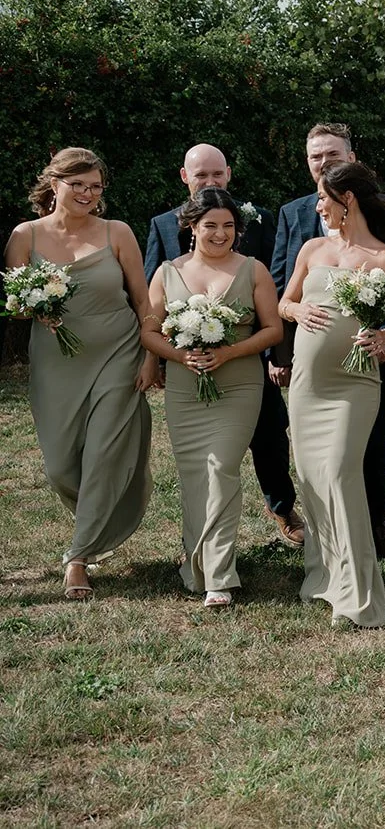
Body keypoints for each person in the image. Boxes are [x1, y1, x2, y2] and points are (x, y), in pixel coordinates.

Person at [5, 149, 156, 600]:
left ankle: (77, 558)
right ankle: (103, 512)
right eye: (79, 185)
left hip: (118, 354)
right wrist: (34, 307)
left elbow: (144, 302)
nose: (88, 194)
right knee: (60, 467)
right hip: (56, 363)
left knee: (105, 454)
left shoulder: (117, 232)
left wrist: (151, 356)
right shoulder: (24, 236)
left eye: (95, 186)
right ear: (54, 184)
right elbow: (15, 302)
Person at [145, 143, 303, 547]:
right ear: (185, 178)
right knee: (204, 461)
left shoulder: (261, 219)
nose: (210, 181)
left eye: (217, 175)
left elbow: (278, 286)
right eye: (201, 176)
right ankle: (202, 540)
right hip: (187, 361)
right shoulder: (163, 225)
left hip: (251, 358)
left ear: (229, 175)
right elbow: (151, 306)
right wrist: (154, 361)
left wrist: (275, 356)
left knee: (270, 434)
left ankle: (282, 508)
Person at [278, 162, 385, 628]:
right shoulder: (313, 248)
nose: (317, 207)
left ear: (347, 199)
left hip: (355, 384)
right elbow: (283, 302)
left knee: (338, 473)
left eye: (322, 198)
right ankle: (323, 576)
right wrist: (299, 309)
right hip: (307, 386)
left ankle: (358, 593)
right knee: (312, 479)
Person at [141, 187, 284, 608]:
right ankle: (196, 565)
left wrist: (228, 352)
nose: (220, 234)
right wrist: (180, 357)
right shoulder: (167, 272)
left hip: (240, 382)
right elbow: (149, 331)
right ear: (191, 226)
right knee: (192, 474)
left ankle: (219, 575)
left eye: (228, 226)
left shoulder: (253, 270)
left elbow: (272, 330)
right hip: (186, 388)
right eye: (210, 226)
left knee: (221, 468)